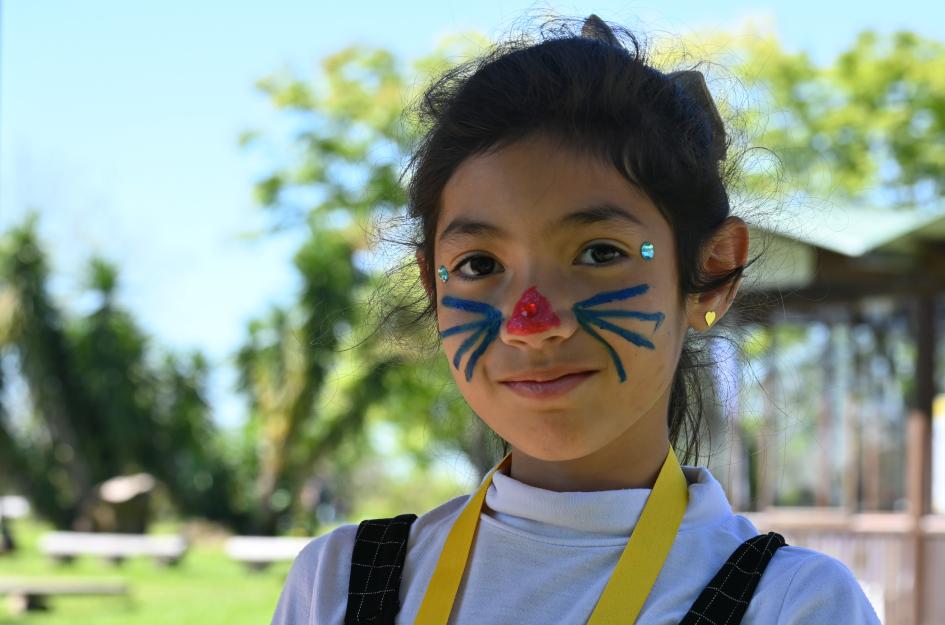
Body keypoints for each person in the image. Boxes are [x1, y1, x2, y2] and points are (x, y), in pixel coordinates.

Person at [270, 13, 882, 625]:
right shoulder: (338, 582)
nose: (531, 321)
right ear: (435, 286)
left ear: (710, 272)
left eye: (600, 253)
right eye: (479, 263)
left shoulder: (792, 604)